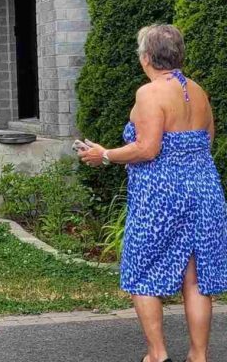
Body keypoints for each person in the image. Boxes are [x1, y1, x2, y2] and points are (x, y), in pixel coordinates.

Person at [78, 24, 226, 362]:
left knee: (141, 270)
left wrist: (104, 155)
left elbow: (147, 149)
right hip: (204, 189)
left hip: (161, 194)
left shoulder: (149, 93)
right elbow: (207, 141)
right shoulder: (199, 91)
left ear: (146, 57)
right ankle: (198, 356)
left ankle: (158, 356)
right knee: (196, 276)